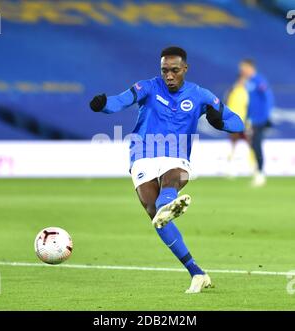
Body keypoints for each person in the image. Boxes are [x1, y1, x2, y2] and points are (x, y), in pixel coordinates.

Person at [89, 46, 244, 293]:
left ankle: (169, 202)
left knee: (170, 185)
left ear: (185, 69)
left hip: (177, 157)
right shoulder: (148, 87)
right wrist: (102, 104)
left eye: (174, 70)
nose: (168, 76)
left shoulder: (200, 95)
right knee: (156, 215)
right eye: (164, 71)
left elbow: (238, 122)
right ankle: (197, 273)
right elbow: (119, 101)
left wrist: (219, 122)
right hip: (142, 155)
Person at [239, 59, 274, 186]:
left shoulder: (259, 80)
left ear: (250, 67)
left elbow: (268, 97)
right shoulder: (249, 82)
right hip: (252, 119)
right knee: (254, 144)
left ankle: (260, 173)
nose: (242, 71)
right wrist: (247, 117)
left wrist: (266, 115)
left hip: (261, 119)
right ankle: (258, 171)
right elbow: (251, 102)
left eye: (243, 68)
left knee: (257, 144)